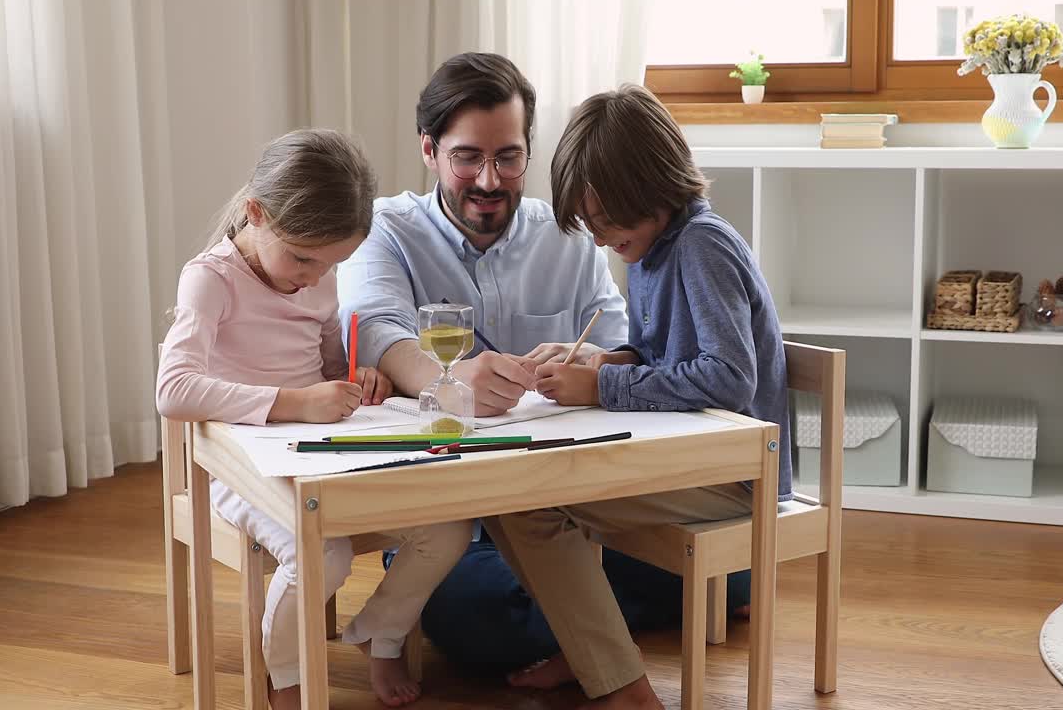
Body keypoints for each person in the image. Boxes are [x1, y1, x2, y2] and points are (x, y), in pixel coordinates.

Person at [486, 84, 794, 709]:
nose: (600, 241)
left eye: (606, 224)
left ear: (650, 188)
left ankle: (619, 686)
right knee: (512, 496)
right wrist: (607, 358)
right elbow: (665, 356)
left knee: (531, 502)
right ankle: (596, 661)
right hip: (699, 458)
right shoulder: (655, 246)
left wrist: (601, 384)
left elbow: (728, 378)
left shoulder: (702, 247)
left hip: (739, 473)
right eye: (591, 228)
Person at [155, 129, 471, 709]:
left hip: (318, 447)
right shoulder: (211, 280)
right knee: (324, 552)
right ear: (256, 212)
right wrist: (296, 402)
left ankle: (382, 633)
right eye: (302, 257)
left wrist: (358, 379)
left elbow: (328, 361)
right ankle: (287, 675)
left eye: (334, 263)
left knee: (448, 526)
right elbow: (174, 390)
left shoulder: (317, 273)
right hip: (241, 462)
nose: (313, 277)